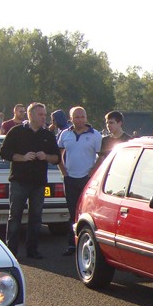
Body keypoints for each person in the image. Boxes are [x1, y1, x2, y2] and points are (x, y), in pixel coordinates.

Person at [0, 102, 60, 260]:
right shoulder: (16, 132)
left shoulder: (47, 135)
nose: (44, 118)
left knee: (36, 217)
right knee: (15, 216)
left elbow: (57, 158)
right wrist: (22, 158)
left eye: (45, 115)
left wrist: (45, 156)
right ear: (30, 115)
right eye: (41, 115)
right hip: (19, 181)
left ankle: (32, 250)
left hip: (39, 183)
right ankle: (11, 251)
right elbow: (4, 152)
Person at [57, 106, 102, 256]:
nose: (80, 120)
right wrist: (64, 172)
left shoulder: (95, 135)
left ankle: (88, 243)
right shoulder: (65, 134)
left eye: (82, 117)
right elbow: (59, 154)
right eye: (77, 117)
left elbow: (101, 157)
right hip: (70, 179)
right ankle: (72, 244)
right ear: (71, 119)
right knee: (72, 212)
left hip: (87, 179)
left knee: (87, 212)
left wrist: (92, 173)